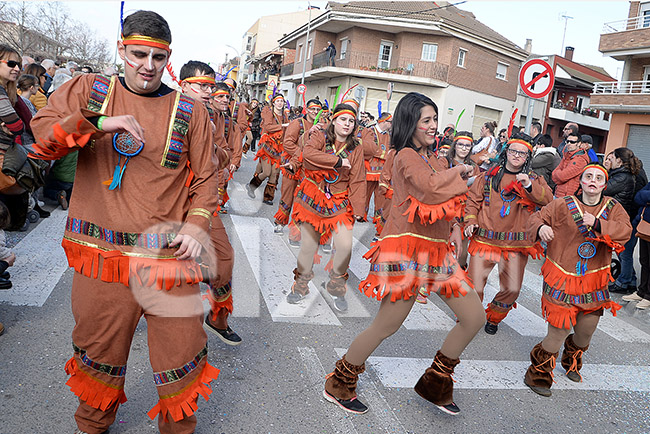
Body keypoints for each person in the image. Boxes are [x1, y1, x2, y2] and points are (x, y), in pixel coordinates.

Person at [30, 11, 220, 434]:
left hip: (169, 262)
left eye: (157, 57)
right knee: (100, 355)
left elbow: (208, 178)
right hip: (104, 260)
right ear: (121, 50)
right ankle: (93, 427)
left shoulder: (189, 109)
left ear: (167, 57)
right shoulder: (89, 90)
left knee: (183, 356)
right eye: (138, 54)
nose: (147, 66)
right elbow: (42, 140)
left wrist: (197, 223)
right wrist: (98, 123)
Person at [323, 93, 482, 416]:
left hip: (438, 253)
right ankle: (340, 381)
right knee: (386, 325)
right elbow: (430, 187)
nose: (434, 126)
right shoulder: (405, 155)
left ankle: (435, 381)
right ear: (410, 122)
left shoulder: (435, 157)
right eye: (427, 120)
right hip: (406, 250)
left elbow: (443, 199)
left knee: (474, 317)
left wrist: (456, 223)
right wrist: (461, 173)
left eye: (435, 120)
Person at [525, 164, 631, 396]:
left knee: (586, 331)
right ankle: (538, 373)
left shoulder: (613, 207)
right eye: (588, 176)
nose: (593, 181)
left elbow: (625, 231)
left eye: (598, 178)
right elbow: (534, 219)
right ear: (581, 182)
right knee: (559, 331)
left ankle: (571, 358)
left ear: (604, 184)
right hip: (562, 276)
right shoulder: (561, 204)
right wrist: (541, 227)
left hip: (594, 280)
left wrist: (599, 224)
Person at [464, 132, 553, 334]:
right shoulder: (488, 176)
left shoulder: (534, 179)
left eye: (522, 153)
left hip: (517, 245)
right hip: (485, 240)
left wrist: (528, 186)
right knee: (474, 285)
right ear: (506, 152)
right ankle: (471, 317)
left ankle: (493, 318)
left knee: (511, 289)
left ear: (528, 158)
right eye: (513, 151)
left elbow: (548, 199)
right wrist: (470, 221)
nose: (517, 156)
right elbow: (472, 201)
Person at [179, 61, 242, 346]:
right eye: (201, 86)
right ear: (184, 85)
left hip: (203, 200)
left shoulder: (214, 119)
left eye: (210, 86)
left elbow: (225, 154)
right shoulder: (165, 110)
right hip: (165, 201)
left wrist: (210, 150)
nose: (208, 91)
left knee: (224, 258)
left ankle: (218, 317)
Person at [288, 103, 366, 312]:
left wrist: (359, 209)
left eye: (351, 121)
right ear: (333, 120)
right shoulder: (321, 136)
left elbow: (358, 179)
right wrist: (337, 162)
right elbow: (308, 155)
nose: (347, 124)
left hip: (339, 202)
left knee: (344, 247)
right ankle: (300, 285)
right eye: (343, 119)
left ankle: (335, 287)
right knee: (308, 246)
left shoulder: (356, 148)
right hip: (313, 198)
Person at [273, 98, 322, 234]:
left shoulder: (323, 125)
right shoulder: (297, 123)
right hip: (292, 166)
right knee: (287, 195)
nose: (315, 112)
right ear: (307, 109)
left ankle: (297, 227)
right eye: (312, 109)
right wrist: (302, 154)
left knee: (304, 199)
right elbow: (287, 143)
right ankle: (280, 222)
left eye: (318, 109)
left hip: (309, 169)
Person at [603, 148, 642, 294]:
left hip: (624, 218)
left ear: (619, 160)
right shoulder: (623, 174)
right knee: (623, 252)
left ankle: (623, 282)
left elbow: (604, 189)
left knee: (623, 253)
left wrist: (604, 171)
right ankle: (630, 280)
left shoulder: (622, 177)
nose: (609, 161)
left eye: (612, 158)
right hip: (626, 217)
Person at [248, 93, 288, 205]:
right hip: (267, 146)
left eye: (282, 101)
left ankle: (268, 197)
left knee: (274, 173)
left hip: (279, 148)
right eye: (278, 101)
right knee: (266, 172)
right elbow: (268, 127)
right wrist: (282, 126)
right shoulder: (268, 112)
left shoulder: (285, 116)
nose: (280, 103)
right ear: (273, 103)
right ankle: (251, 186)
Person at [623, 180, 650, 309]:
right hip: (645, 226)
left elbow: (644, 196)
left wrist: (647, 197)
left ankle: (648, 296)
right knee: (644, 261)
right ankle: (641, 291)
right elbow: (639, 197)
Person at [361, 112, 392, 225]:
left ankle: (378, 217)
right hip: (369, 169)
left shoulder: (388, 135)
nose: (392, 124)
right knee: (365, 192)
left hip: (382, 170)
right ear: (384, 122)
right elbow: (369, 149)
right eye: (390, 122)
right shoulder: (370, 131)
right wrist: (385, 154)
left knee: (380, 195)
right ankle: (361, 214)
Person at [552, 131, 590, 198]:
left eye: (572, 142)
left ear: (579, 144)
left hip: (569, 197)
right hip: (559, 194)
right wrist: (559, 176)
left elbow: (562, 176)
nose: (569, 144)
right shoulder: (567, 155)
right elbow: (553, 175)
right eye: (567, 141)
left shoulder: (580, 159)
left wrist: (559, 176)